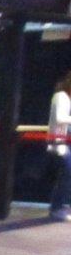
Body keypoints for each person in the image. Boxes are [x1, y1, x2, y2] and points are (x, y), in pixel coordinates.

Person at [48, 70, 71, 221]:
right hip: (58, 142)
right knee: (67, 172)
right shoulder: (61, 96)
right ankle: (56, 208)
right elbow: (60, 118)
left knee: (66, 174)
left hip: (65, 141)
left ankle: (60, 205)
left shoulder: (67, 98)